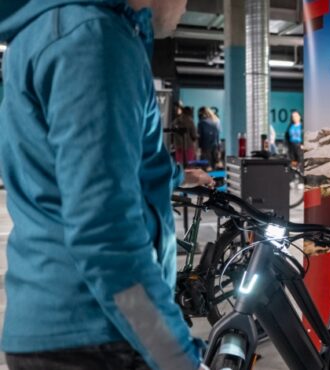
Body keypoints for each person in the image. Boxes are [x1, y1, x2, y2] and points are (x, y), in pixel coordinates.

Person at [0, 1, 212, 369]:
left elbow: (72, 169)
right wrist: (175, 356)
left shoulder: (49, 31)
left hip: (60, 327)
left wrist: (175, 175)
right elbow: (104, 232)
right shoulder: (94, 39)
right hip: (99, 335)